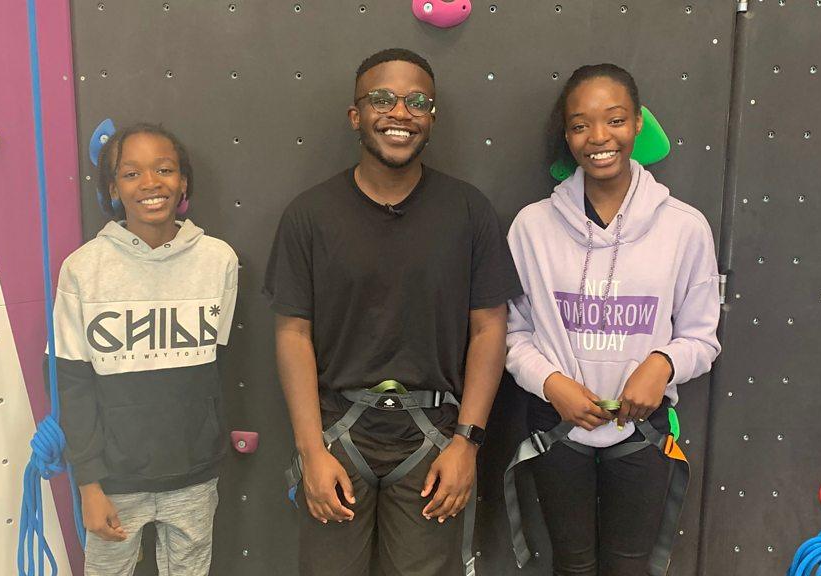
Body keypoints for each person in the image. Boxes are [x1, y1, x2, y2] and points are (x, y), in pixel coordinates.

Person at [264, 48, 522, 576]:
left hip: (434, 442)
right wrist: (311, 451)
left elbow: (489, 328)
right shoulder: (309, 216)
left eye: (417, 101)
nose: (400, 113)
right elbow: (293, 333)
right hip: (337, 438)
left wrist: (467, 444)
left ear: (432, 117)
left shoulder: (468, 212)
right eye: (382, 99)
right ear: (356, 115)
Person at [504, 64, 721, 576]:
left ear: (638, 125)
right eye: (580, 125)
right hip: (556, 428)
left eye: (615, 120)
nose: (598, 138)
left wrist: (662, 364)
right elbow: (511, 334)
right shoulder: (532, 227)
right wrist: (552, 383)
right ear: (566, 135)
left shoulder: (684, 228)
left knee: (629, 566)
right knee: (572, 565)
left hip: (641, 433)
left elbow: (701, 338)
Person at [50, 123, 238, 575]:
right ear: (113, 188)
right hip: (113, 482)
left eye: (164, 169)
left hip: (193, 476)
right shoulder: (82, 269)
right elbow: (72, 383)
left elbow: (216, 363)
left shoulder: (219, 261)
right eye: (131, 174)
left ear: (184, 181)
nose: (151, 184)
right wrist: (88, 484)